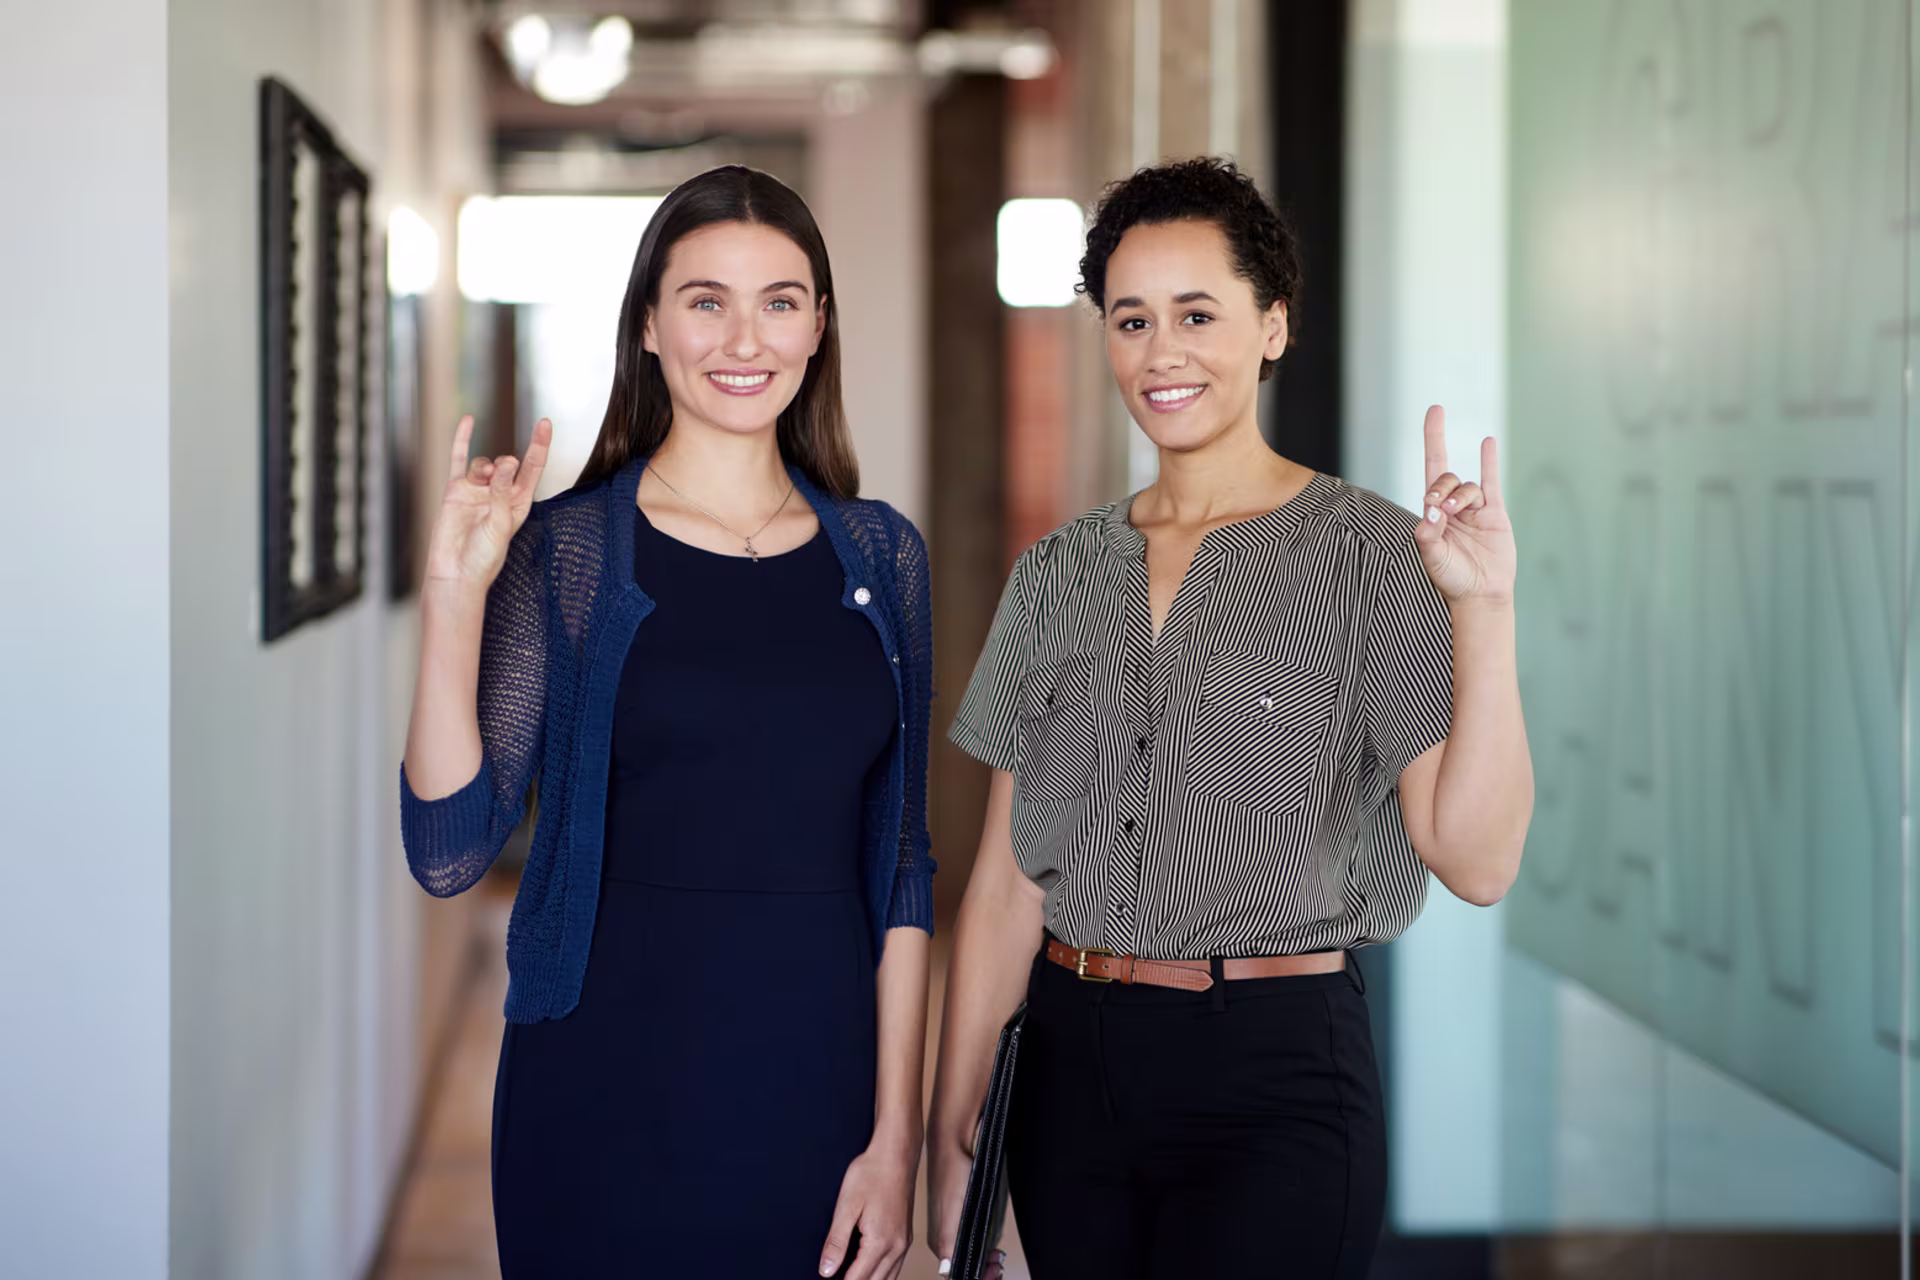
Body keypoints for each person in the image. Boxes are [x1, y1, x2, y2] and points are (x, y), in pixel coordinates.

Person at [927, 157, 1534, 1278]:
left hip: (1274, 1075)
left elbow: (1480, 857)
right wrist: (954, 1126)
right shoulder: (1055, 572)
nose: (1163, 352)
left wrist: (1484, 610)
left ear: (1273, 324)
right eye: (1132, 318)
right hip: (1067, 1064)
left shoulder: (1377, 556)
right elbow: (1010, 879)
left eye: (1197, 313)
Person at [399, 165, 934, 1280]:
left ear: (819, 325)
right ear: (648, 323)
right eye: (705, 299)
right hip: (601, 1076)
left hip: (818, 1078)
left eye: (781, 300)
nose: (745, 337)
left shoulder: (883, 555)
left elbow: (903, 870)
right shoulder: (568, 552)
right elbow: (450, 849)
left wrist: (897, 1142)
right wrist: (455, 597)